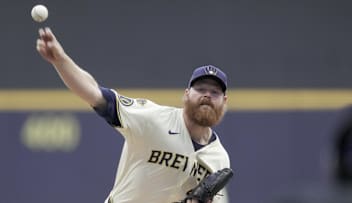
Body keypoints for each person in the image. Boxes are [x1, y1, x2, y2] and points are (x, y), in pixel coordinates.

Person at [36, 27, 231, 203]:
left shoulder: (219, 158)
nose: (207, 95)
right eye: (200, 89)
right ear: (187, 94)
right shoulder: (154, 119)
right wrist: (61, 60)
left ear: (224, 101)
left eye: (215, 92)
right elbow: (96, 95)